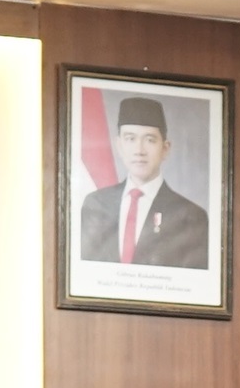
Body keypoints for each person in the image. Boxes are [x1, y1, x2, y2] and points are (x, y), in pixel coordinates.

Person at [78, 95, 211, 268]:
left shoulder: (190, 217)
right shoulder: (96, 204)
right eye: (130, 139)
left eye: (149, 140)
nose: (139, 150)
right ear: (119, 145)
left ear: (165, 148)